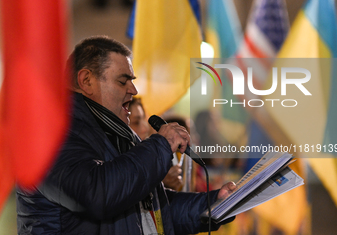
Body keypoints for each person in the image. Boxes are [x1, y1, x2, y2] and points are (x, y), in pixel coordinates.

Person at [16, 36, 236, 235]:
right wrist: (161, 145)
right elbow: (97, 193)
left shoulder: (119, 134)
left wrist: (214, 205)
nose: (133, 89)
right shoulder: (49, 136)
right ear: (86, 80)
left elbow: (152, 212)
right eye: (122, 81)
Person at [129, 97, 184, 191]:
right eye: (136, 122)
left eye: (144, 119)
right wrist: (161, 182)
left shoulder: (152, 157)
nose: (145, 128)